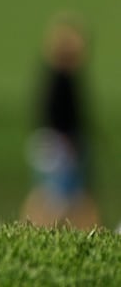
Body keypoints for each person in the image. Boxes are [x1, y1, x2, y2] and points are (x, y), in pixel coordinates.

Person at [20, 12, 99, 230]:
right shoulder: (60, 79)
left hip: (54, 142)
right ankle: (33, 227)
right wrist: (69, 140)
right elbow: (56, 114)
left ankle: (34, 227)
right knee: (54, 196)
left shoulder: (59, 76)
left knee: (57, 195)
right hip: (60, 144)